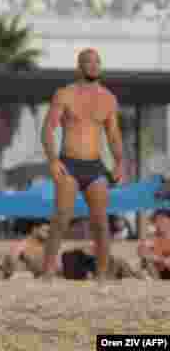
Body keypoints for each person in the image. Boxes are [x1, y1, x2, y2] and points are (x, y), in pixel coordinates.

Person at [39, 48, 124, 280]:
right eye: (89, 62)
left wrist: (119, 163)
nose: (94, 65)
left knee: (101, 222)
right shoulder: (65, 94)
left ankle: (102, 274)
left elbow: (114, 135)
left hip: (95, 166)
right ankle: (47, 271)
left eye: (97, 62)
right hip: (69, 164)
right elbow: (47, 129)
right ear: (79, 66)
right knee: (61, 219)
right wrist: (53, 160)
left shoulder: (108, 98)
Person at [138, 210, 170, 280]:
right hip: (158, 273)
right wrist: (161, 259)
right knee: (147, 261)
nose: (158, 224)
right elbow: (141, 252)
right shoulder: (153, 238)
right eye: (156, 221)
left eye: (162, 221)